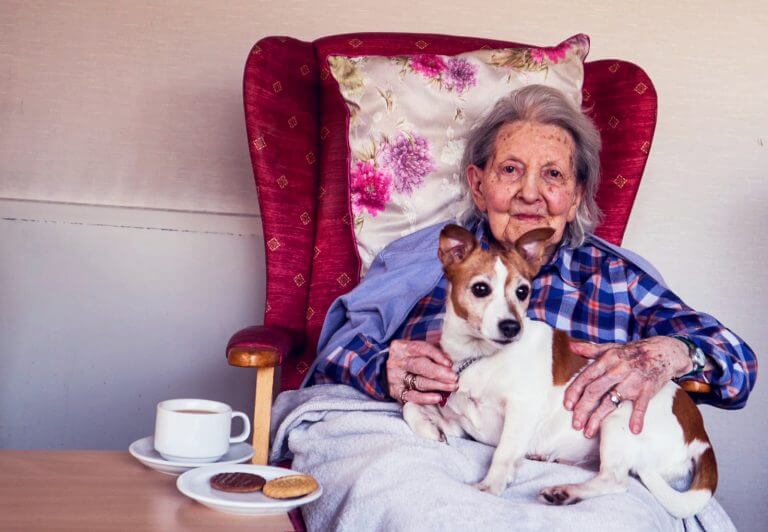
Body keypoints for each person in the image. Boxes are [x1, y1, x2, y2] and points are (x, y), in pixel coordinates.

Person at [289, 85, 756, 529]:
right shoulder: (424, 255)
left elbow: (737, 363)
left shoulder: (619, 276)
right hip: (425, 445)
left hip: (571, 457)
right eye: (510, 170)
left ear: (575, 197)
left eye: (553, 175)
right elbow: (336, 346)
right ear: (478, 184)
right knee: (413, 509)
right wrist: (384, 367)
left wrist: (666, 355)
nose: (530, 193)